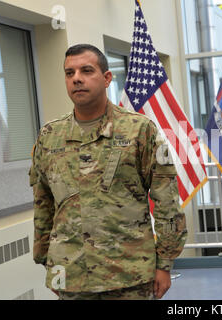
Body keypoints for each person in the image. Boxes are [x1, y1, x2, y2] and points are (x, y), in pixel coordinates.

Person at [29, 44, 187, 300]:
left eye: (86, 70)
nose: (76, 78)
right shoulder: (50, 136)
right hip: (71, 273)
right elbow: (43, 204)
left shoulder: (139, 130)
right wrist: (49, 264)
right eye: (69, 73)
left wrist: (165, 263)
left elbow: (166, 200)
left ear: (106, 78)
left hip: (129, 275)